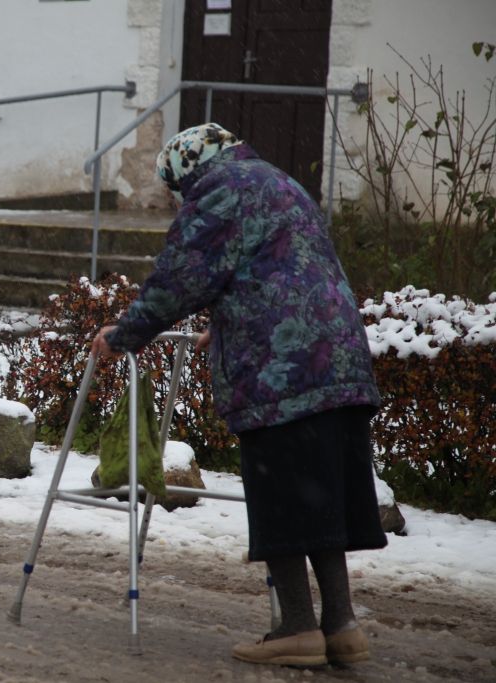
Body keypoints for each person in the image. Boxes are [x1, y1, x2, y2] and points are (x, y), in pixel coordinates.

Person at [91, 123, 387, 667]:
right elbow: (274, 268)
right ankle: (343, 627)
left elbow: (179, 277)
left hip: (283, 367)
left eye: (176, 192)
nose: (179, 202)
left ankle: (297, 629)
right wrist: (229, 321)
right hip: (337, 354)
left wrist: (125, 333)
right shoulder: (274, 180)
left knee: (285, 499)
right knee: (319, 494)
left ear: (185, 175)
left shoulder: (217, 192)